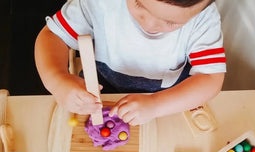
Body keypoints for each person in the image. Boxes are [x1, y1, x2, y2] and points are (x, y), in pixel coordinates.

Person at [34, 0, 226, 126]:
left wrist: (156, 105)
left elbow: (210, 78)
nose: (150, 25)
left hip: (167, 99)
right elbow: (52, 35)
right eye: (139, 5)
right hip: (100, 89)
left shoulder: (204, 17)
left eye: (171, 23)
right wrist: (56, 80)